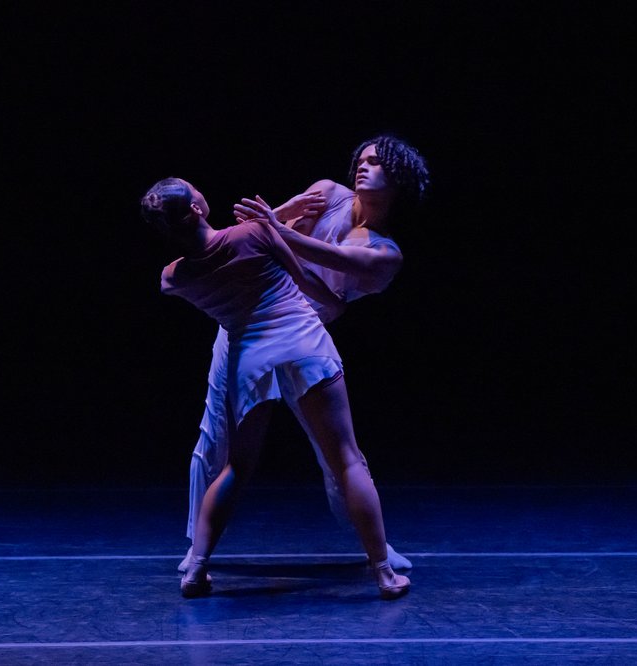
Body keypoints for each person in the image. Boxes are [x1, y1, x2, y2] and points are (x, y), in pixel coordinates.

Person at [141, 177, 410, 600]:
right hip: (302, 342)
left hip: (248, 358)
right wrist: (277, 224)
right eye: (196, 191)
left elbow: (211, 259)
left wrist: (274, 222)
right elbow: (306, 278)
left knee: (236, 467)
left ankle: (195, 568)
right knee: (347, 460)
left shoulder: (173, 277)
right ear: (196, 209)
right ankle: (384, 574)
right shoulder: (254, 232)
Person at [179, 135, 431, 573]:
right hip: (247, 323)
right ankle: (196, 548)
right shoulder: (330, 193)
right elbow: (251, 235)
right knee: (214, 438)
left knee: (337, 455)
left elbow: (329, 284)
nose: (363, 166)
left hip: (303, 336)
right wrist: (283, 218)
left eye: (377, 162)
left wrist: (280, 237)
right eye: (362, 158)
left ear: (399, 180)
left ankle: (376, 546)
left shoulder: (384, 254)